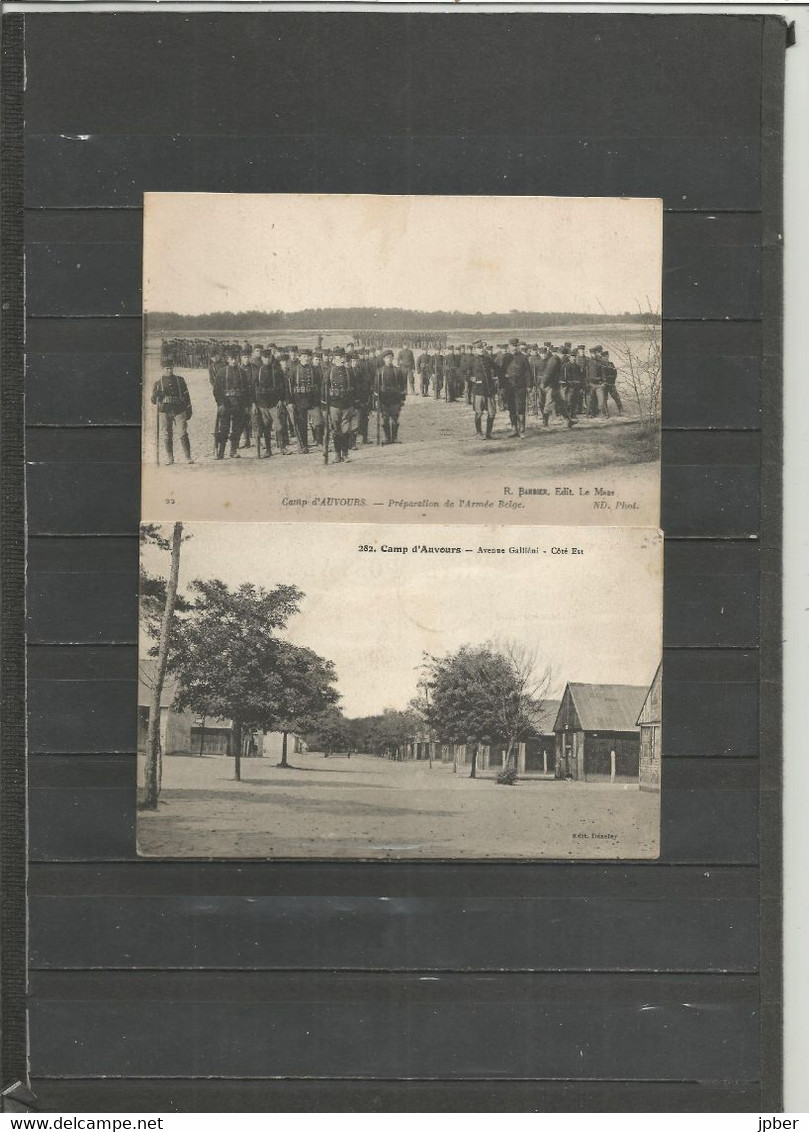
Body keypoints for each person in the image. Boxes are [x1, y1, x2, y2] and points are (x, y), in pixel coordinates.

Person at [151, 362, 193, 465]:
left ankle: (188, 457)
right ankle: (170, 458)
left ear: (173, 368)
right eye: (166, 368)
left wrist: (189, 409)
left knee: (183, 433)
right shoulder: (158, 383)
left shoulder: (180, 380)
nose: (169, 371)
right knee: (167, 434)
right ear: (162, 369)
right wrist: (157, 395)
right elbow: (153, 400)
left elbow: (186, 396)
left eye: (170, 368)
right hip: (164, 411)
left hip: (179, 410)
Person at [212, 351, 247, 459]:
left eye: (236, 358)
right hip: (226, 404)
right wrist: (221, 404)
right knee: (224, 429)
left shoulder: (242, 372)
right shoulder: (222, 372)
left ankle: (233, 450)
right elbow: (217, 390)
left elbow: (246, 391)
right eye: (231, 358)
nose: (234, 361)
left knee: (237, 428)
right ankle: (221, 451)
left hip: (239, 404)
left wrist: (245, 405)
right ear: (227, 359)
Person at [324, 347, 356, 463]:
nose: (342, 359)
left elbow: (354, 389)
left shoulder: (349, 372)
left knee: (346, 431)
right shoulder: (329, 372)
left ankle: (345, 453)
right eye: (339, 357)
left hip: (347, 406)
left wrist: (354, 405)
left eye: (343, 357)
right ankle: (337, 455)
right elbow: (324, 391)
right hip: (334, 406)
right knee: (336, 431)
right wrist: (324, 407)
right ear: (334, 359)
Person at [287, 346, 322, 452]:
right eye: (304, 356)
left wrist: (319, 400)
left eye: (308, 356)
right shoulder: (293, 370)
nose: (306, 358)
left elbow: (319, 385)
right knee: (301, 425)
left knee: (319, 422)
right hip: (299, 401)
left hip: (313, 400)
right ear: (299, 358)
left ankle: (319, 443)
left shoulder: (314, 370)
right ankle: (303, 446)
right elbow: (288, 388)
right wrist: (290, 402)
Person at [503, 337, 533, 438]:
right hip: (509, 387)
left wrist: (529, 385)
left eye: (516, 346)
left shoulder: (523, 358)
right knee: (511, 408)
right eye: (512, 346)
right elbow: (501, 372)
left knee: (520, 408)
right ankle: (514, 429)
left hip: (520, 387)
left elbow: (528, 372)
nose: (514, 348)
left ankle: (522, 430)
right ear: (509, 347)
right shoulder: (505, 357)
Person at [378, 349, 407, 443]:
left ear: (393, 358)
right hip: (384, 399)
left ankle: (394, 437)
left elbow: (402, 386)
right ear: (384, 359)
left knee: (395, 418)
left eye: (390, 357)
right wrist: (376, 401)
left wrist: (402, 399)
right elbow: (376, 388)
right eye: (387, 358)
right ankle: (387, 438)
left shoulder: (397, 371)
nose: (389, 359)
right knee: (385, 419)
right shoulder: (380, 372)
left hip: (395, 398)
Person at [470, 343, 497, 439]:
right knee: (479, 412)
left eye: (482, 348)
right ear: (475, 349)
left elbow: (496, 368)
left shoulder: (488, 359)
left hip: (489, 390)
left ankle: (489, 433)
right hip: (478, 391)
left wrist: (496, 377)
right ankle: (479, 433)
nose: (481, 349)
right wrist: (470, 378)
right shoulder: (471, 360)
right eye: (479, 348)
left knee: (492, 412)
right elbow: (460, 371)